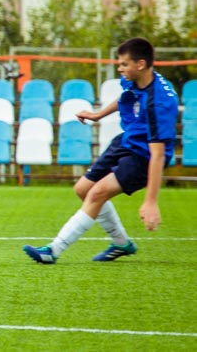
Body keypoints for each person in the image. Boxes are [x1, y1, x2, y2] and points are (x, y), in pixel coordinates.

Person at [23, 38, 178, 264]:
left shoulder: (159, 103)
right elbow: (125, 97)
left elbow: (158, 154)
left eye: (124, 64)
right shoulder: (136, 79)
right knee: (83, 189)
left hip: (144, 156)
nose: (119, 68)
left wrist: (151, 201)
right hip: (127, 141)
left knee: (97, 193)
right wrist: (98, 114)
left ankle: (53, 250)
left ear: (141, 64)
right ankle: (121, 243)